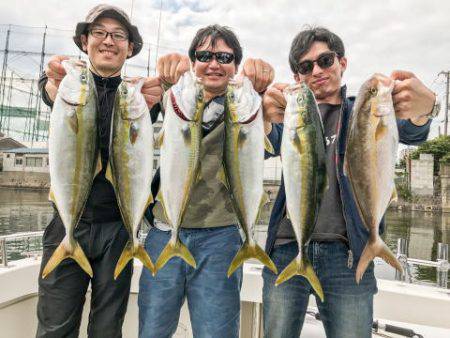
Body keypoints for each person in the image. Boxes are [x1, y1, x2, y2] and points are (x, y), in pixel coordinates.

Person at [262, 26, 438, 338]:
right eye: (305, 67)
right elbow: (261, 143)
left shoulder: (363, 111)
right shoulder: (290, 116)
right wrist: (261, 117)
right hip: (287, 248)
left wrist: (427, 109)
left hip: (347, 256)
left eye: (325, 60)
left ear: (342, 63)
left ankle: (375, 243)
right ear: (296, 77)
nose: (317, 71)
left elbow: (412, 131)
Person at [138, 24, 274, 338]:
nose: (214, 63)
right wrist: (166, 73)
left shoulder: (249, 106)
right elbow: (131, 120)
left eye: (224, 57)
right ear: (193, 63)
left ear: (236, 67)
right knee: (152, 331)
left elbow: (275, 138)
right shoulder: (174, 101)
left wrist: (267, 90)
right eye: (204, 55)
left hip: (222, 239)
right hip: (164, 232)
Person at [36, 4, 162, 337]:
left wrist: (160, 94)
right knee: (55, 327)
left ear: (130, 48)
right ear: (84, 41)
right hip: (67, 224)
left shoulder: (139, 96)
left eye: (119, 35)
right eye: (99, 33)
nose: (109, 41)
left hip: (118, 229)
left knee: (107, 328)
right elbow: (52, 91)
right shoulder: (68, 85)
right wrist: (52, 83)